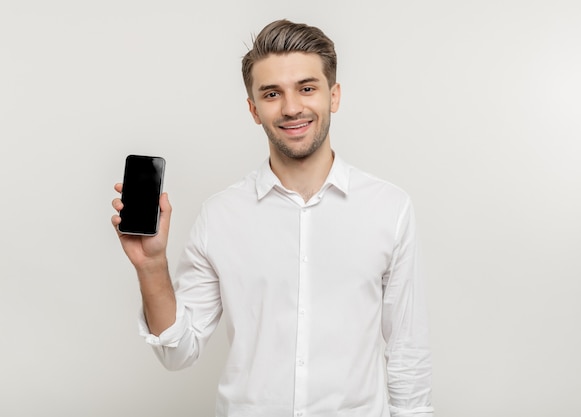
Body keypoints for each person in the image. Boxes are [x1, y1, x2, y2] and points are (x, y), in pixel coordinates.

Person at [111, 19, 434, 417]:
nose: (292, 107)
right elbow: (177, 353)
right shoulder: (221, 216)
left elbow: (407, 349)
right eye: (271, 93)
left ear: (334, 96)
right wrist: (152, 266)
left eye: (307, 88)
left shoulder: (390, 208)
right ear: (253, 109)